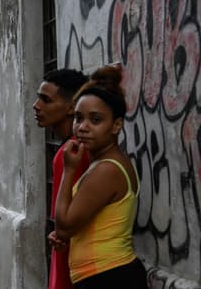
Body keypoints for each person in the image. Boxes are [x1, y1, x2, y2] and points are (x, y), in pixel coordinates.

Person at [54, 64, 147, 289]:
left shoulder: (107, 170)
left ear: (116, 125)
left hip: (109, 276)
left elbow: (64, 226)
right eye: (78, 118)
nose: (82, 127)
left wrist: (68, 171)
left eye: (95, 120)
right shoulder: (100, 164)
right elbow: (76, 225)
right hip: (103, 275)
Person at [33, 69, 90, 289]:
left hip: (72, 258)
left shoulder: (71, 152)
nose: (36, 105)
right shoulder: (74, 149)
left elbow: (66, 223)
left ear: (70, 107)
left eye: (45, 99)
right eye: (38, 97)